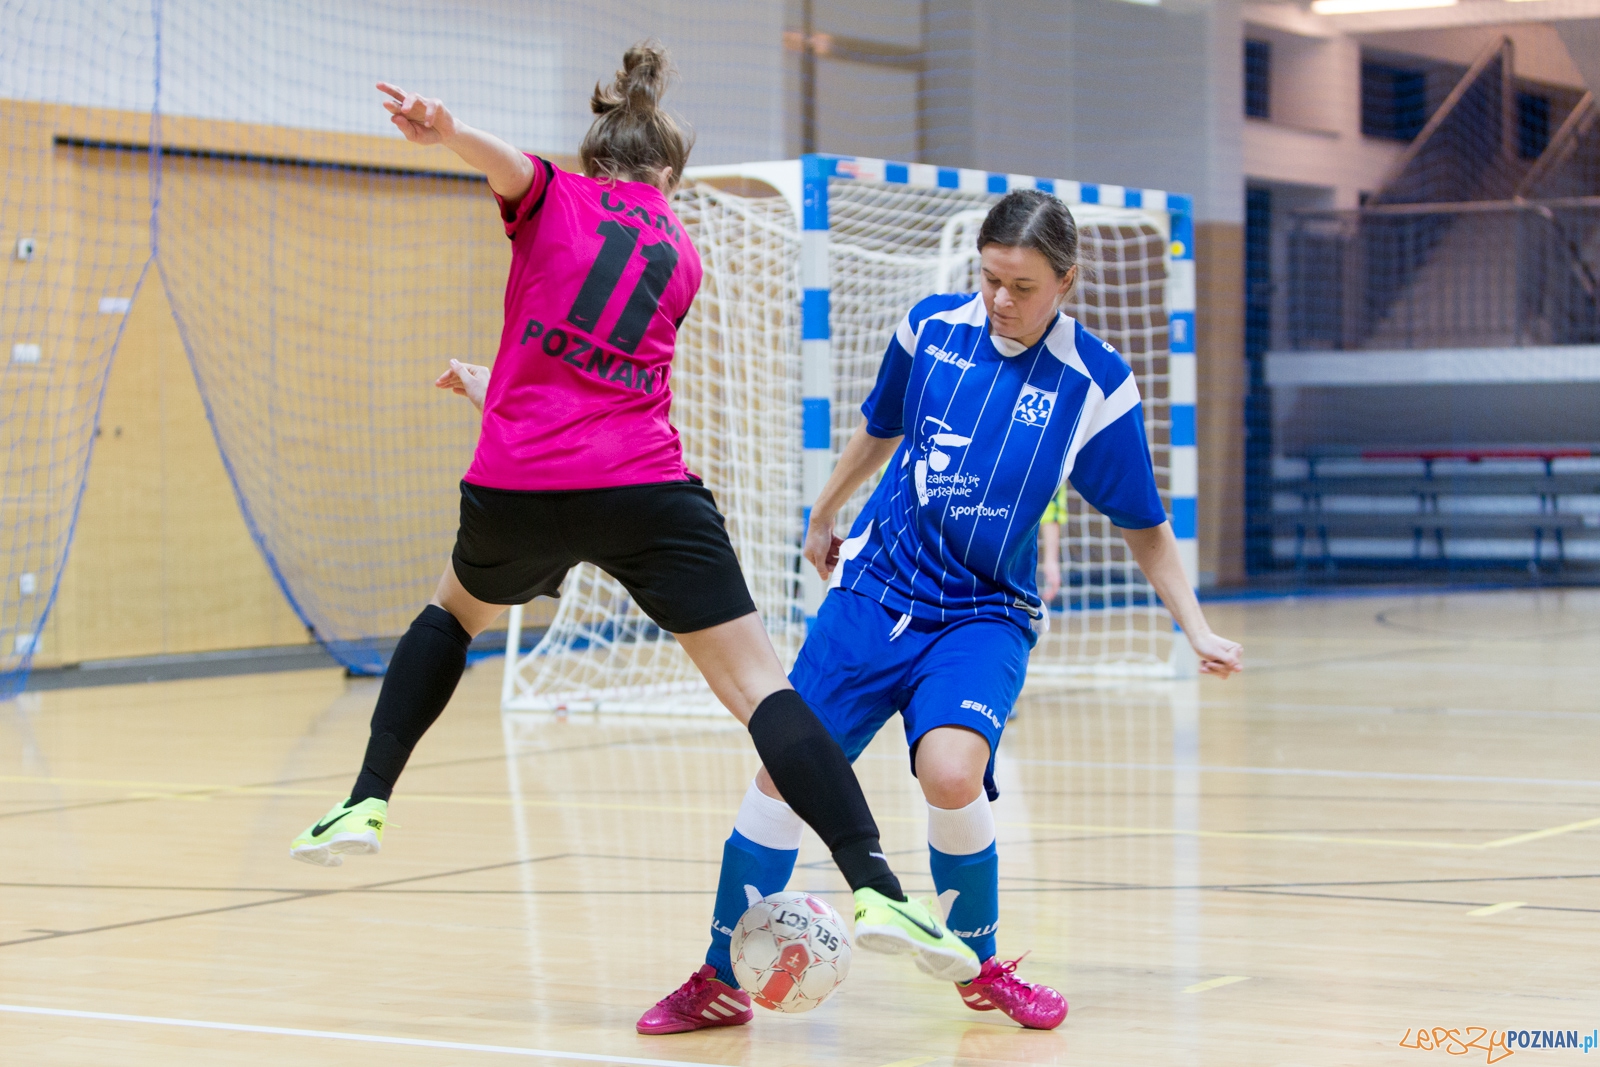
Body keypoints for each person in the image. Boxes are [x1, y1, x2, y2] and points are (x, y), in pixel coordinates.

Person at [288, 43, 971, 989]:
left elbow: (510, 176)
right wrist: (512, 386)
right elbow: (606, 376)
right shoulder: (681, 255)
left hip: (518, 482)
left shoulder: (556, 193)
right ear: (669, 176)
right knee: (764, 691)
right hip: (641, 486)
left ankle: (364, 800)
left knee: (451, 614)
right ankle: (876, 884)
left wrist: (446, 130)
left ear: (592, 154)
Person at [636, 189, 1243, 1033]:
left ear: (1065, 281)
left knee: (952, 772)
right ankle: (719, 977)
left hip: (984, 613)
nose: (1000, 300)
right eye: (990, 278)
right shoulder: (930, 327)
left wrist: (1196, 623)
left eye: (1022, 287)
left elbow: (1145, 523)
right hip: (873, 591)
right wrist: (824, 510)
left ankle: (978, 964)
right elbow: (878, 429)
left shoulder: (1095, 384)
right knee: (785, 772)